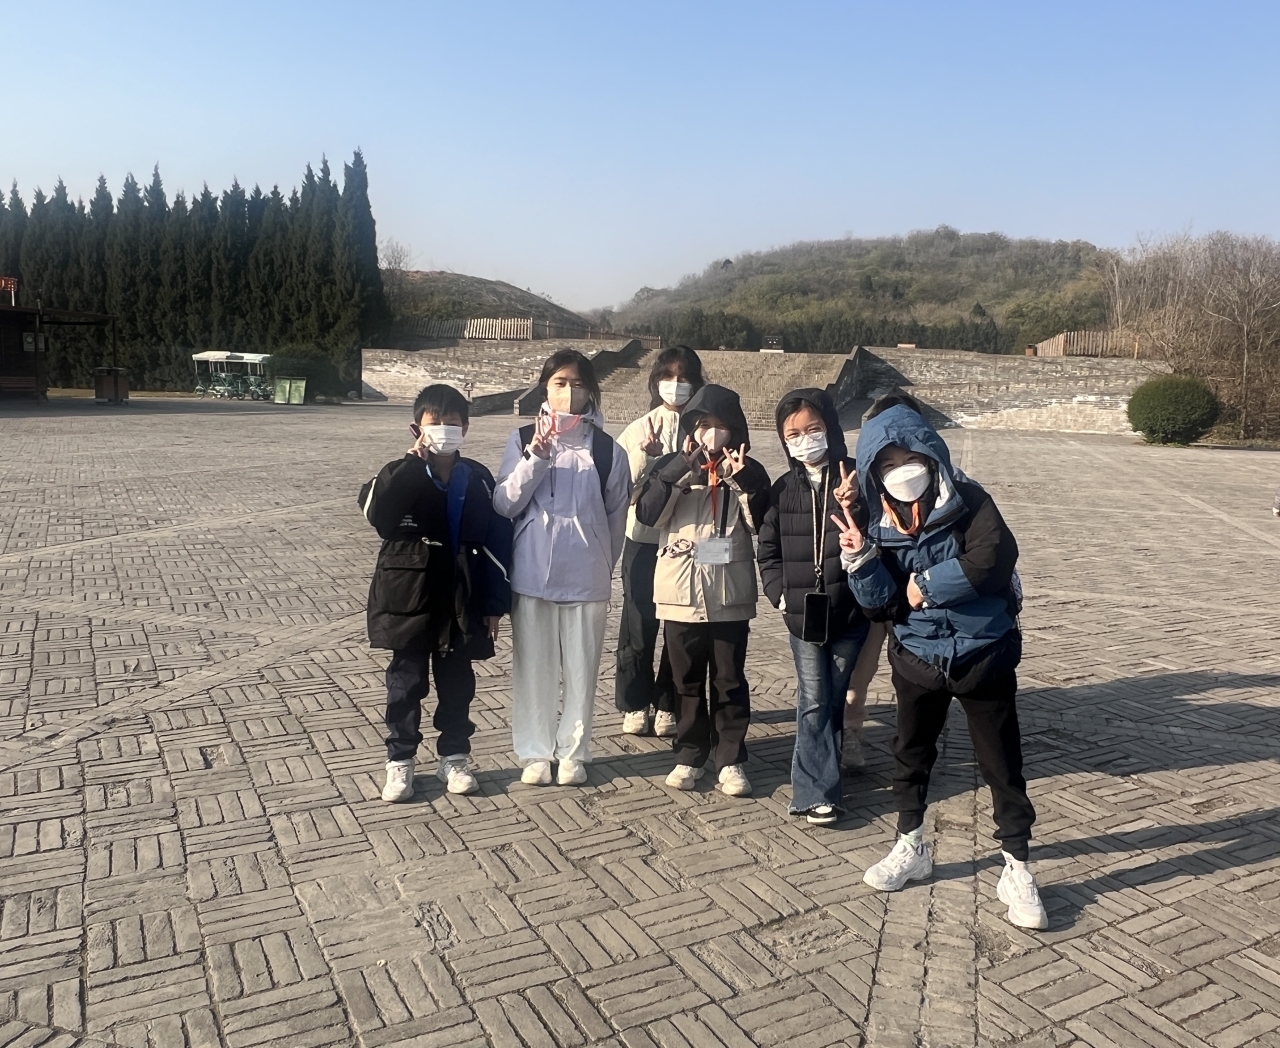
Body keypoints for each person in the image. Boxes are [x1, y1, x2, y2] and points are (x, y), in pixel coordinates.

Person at [833, 398, 1047, 930]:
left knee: (1001, 763)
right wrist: (860, 559)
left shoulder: (969, 500)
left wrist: (925, 585)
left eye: (911, 458)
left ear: (931, 456)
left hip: (983, 653)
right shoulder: (873, 519)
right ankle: (911, 845)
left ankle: (1017, 866)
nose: (902, 471)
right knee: (910, 754)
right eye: (887, 463)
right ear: (872, 471)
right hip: (916, 658)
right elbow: (883, 606)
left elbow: (993, 558)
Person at [361, 383, 512, 803]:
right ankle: (400, 761)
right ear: (417, 428)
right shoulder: (399, 472)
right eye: (435, 422)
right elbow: (379, 516)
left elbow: (498, 542)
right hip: (409, 595)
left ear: (466, 428)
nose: (444, 429)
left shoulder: (478, 478)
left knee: (458, 683)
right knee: (405, 683)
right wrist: (411, 466)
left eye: (453, 422)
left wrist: (495, 604)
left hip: (462, 597)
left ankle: (454, 757)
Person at [494, 349, 630, 786]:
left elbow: (616, 517)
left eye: (577, 383)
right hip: (532, 572)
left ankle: (573, 752)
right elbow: (504, 503)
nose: (568, 391)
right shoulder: (521, 438)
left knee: (582, 668)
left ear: (590, 390)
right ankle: (535, 751)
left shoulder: (608, 450)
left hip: (586, 574)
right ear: (545, 388)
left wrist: (603, 562)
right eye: (559, 383)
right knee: (533, 667)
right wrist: (535, 457)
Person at [634, 385, 771, 797]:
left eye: (721, 424)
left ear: (736, 430)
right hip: (680, 592)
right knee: (685, 680)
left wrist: (742, 480)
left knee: (729, 680)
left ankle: (731, 758)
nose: (712, 432)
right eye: (704, 424)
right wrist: (678, 470)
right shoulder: (671, 466)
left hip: (730, 592)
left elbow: (762, 523)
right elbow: (648, 516)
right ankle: (690, 753)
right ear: (690, 428)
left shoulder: (749, 470)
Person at [758, 388, 870, 825]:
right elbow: (768, 550)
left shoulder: (859, 478)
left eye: (813, 429)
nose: (805, 440)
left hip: (849, 611)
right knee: (813, 699)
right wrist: (779, 593)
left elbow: (881, 534)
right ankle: (815, 793)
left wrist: (855, 503)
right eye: (794, 434)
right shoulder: (783, 489)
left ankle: (827, 773)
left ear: (830, 428)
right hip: (803, 614)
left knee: (834, 697)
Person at [614, 346, 706, 737]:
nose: (676, 385)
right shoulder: (640, 428)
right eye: (668, 376)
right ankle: (635, 701)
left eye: (684, 378)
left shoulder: (705, 428)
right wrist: (651, 459)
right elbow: (623, 490)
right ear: (655, 381)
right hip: (644, 540)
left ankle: (668, 702)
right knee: (638, 623)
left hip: (685, 541)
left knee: (679, 627)